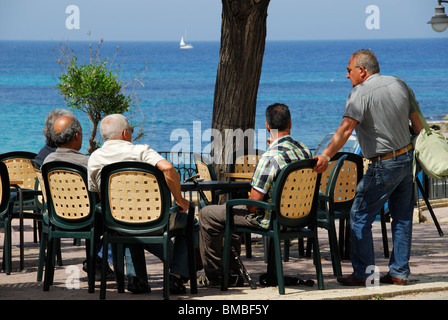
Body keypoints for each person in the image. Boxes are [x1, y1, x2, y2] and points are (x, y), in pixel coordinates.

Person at [314, 49, 424, 286]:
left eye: (348, 70)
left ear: (362, 71)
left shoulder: (360, 92)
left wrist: (325, 155)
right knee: (402, 218)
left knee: (359, 215)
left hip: (383, 164)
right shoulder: (400, 84)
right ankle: (399, 273)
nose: (347, 76)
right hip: (407, 160)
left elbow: (345, 130)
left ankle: (364, 274)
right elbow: (419, 127)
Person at [198, 103, 312, 287]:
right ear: (290, 123)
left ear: (267, 127)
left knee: (208, 214)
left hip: (271, 220)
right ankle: (236, 271)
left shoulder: (269, 157)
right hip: (299, 218)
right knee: (231, 213)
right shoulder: (304, 151)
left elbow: (252, 206)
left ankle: (217, 276)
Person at [87, 113, 197, 294]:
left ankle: (136, 278)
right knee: (191, 223)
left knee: (130, 223)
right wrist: (179, 200)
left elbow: (101, 196)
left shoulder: (95, 158)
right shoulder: (140, 151)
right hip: (154, 222)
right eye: (130, 130)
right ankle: (176, 276)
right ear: (125, 133)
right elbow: (168, 168)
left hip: (117, 222)